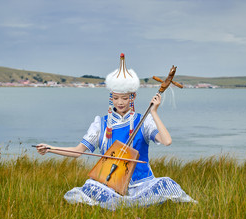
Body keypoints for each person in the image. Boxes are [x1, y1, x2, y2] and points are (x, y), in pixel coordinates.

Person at [36, 53, 195, 210]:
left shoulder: (144, 120)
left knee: (166, 183)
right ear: (111, 97)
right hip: (110, 185)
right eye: (116, 98)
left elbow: (167, 141)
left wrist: (154, 112)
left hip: (142, 183)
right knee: (91, 186)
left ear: (133, 97)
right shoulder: (101, 123)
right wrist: (50, 149)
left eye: (125, 98)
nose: (120, 102)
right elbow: (78, 151)